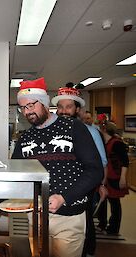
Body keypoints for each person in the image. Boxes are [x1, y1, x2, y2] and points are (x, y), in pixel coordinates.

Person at [9, 78, 103, 257]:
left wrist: (64, 197)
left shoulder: (74, 128)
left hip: (68, 217)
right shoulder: (25, 138)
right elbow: (16, 176)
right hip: (35, 216)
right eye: (22, 108)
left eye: (30, 105)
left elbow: (95, 170)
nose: (26, 112)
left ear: (44, 102)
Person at [51, 86, 108, 257]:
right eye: (60, 107)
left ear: (77, 109)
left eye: (68, 107)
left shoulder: (90, 131)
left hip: (84, 185)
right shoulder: (54, 130)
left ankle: (87, 252)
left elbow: (101, 162)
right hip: (59, 191)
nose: (63, 111)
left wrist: (102, 185)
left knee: (85, 220)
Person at [97, 121, 129, 235]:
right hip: (106, 178)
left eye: (100, 128)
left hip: (115, 177)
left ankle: (113, 229)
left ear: (104, 130)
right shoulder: (105, 142)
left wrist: (123, 178)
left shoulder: (116, 143)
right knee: (103, 202)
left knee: (115, 204)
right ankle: (102, 224)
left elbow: (125, 162)